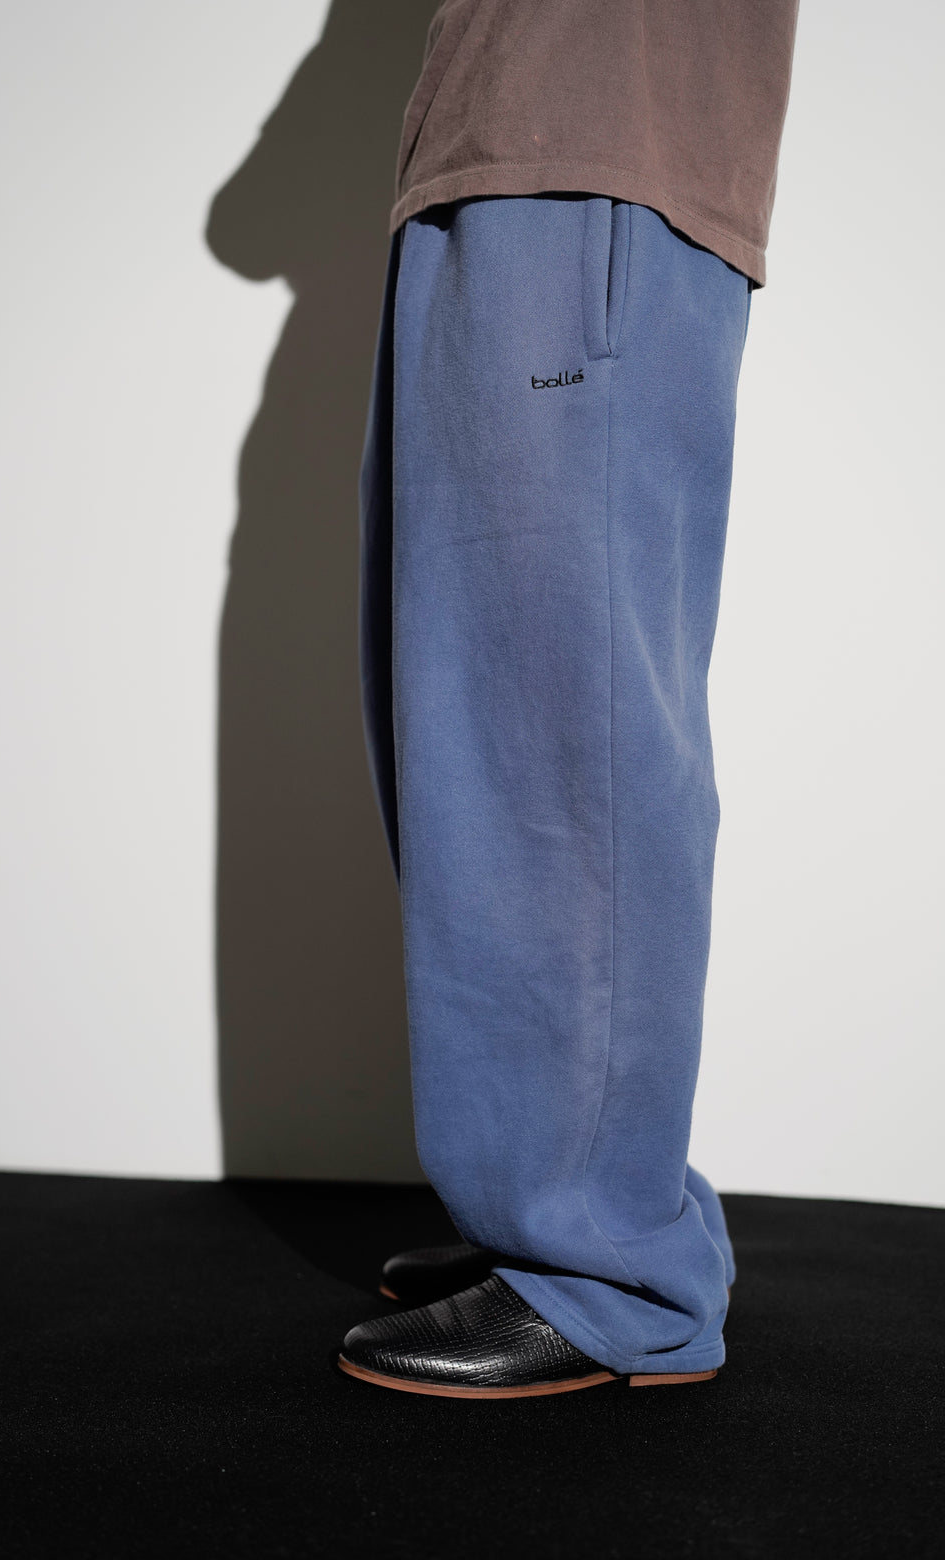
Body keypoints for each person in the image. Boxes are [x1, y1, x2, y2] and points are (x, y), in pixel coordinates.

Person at [339, 0, 801, 1397]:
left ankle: (605, 1262)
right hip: (509, 166)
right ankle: (561, 1208)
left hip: (588, 158)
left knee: (562, 740)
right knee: (479, 726)